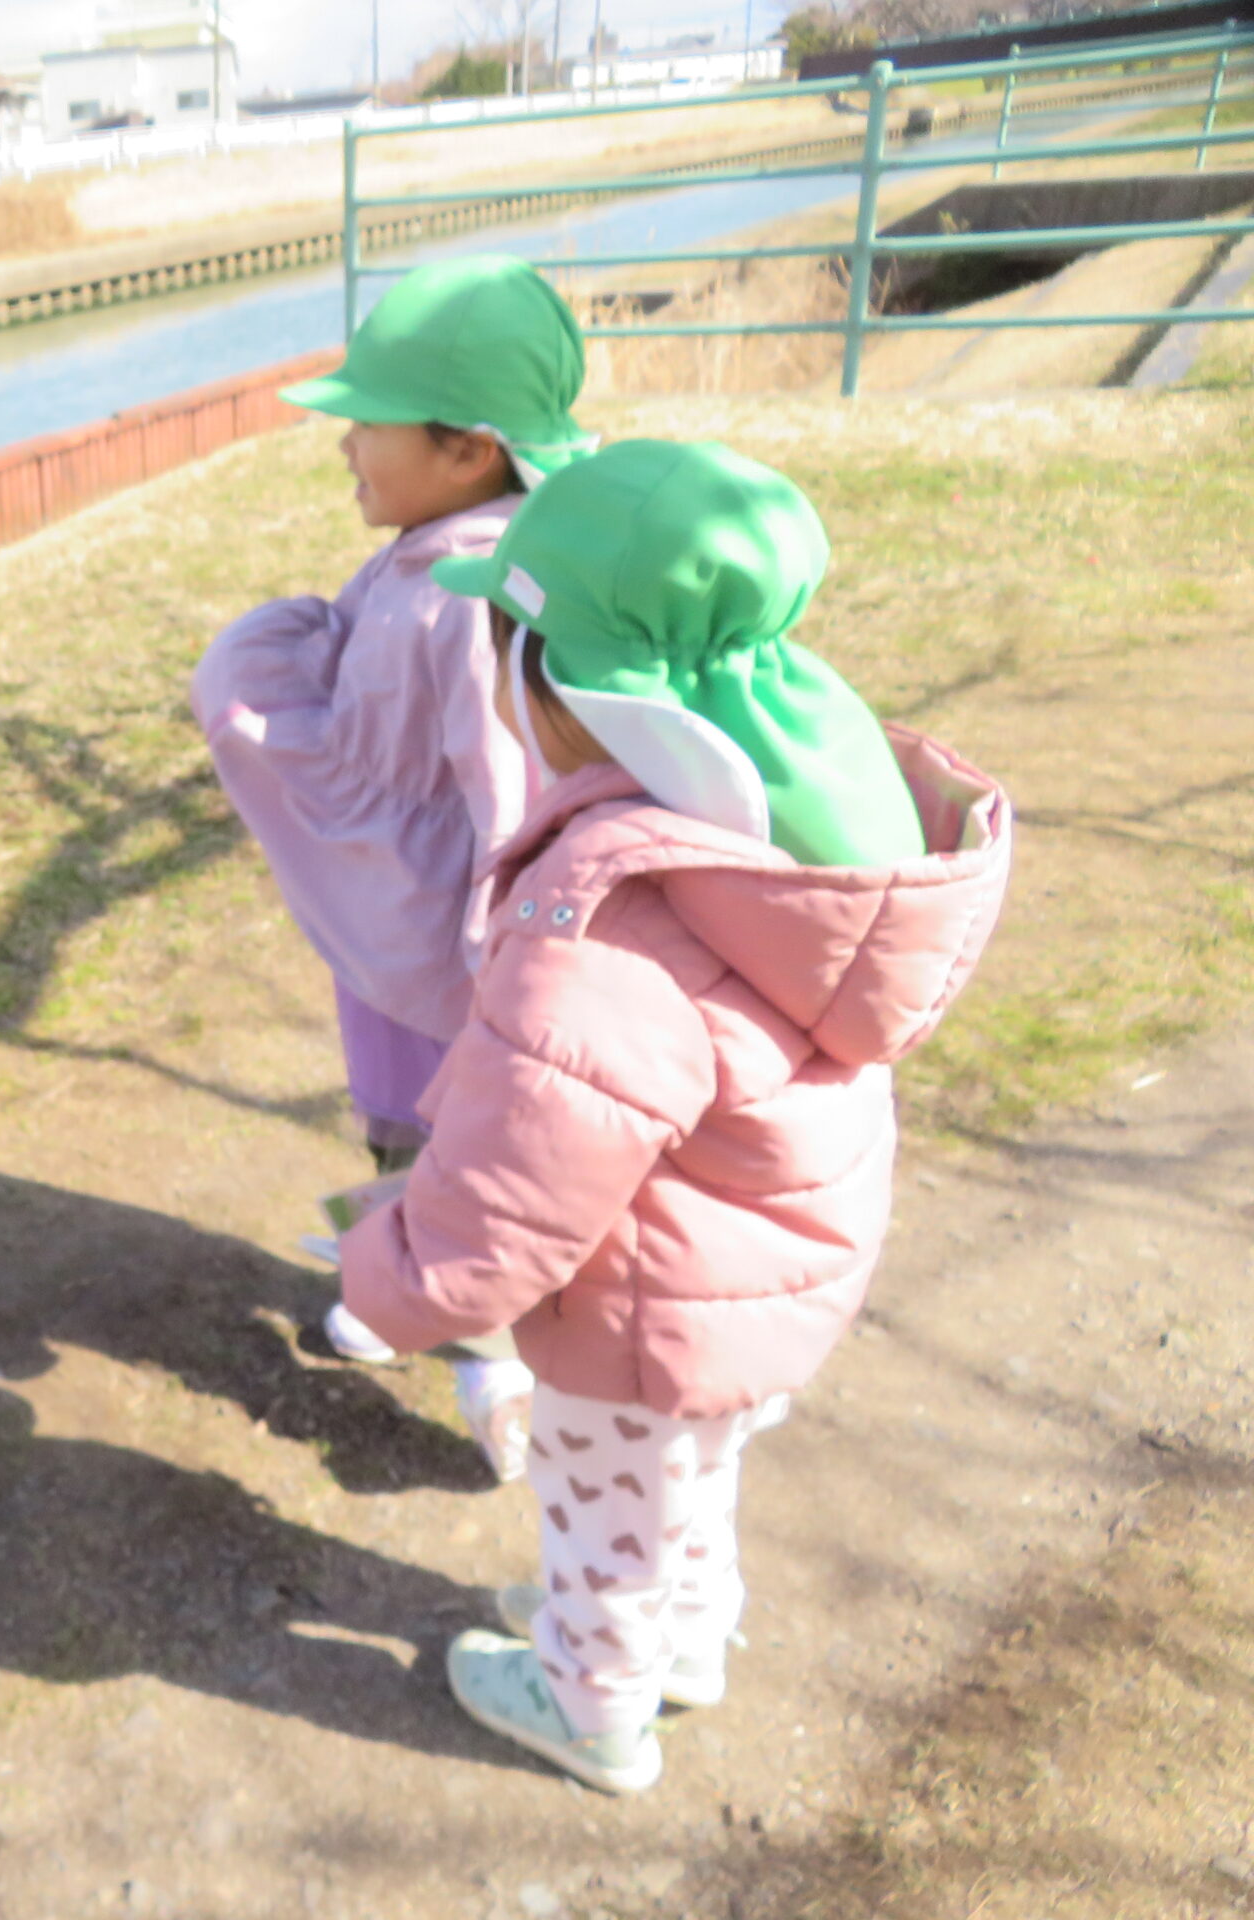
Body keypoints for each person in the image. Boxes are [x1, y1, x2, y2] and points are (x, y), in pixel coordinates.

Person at [334, 439, 1013, 1794]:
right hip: (757, 1285)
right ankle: (688, 1646)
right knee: (690, 1479)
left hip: (647, 1307)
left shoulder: (616, 923)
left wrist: (392, 1283)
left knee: (602, 1517)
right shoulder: (808, 838)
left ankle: (591, 1704)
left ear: (579, 699)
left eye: (513, 643)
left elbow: (519, 1178)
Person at [189, 255, 594, 1479]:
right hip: (403, 936)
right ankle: (415, 1289)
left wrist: (505, 970)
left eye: (367, 426)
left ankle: (489, 1359)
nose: (345, 449)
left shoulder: (465, 597)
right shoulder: (455, 548)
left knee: (446, 1150)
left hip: (442, 955)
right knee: (411, 1139)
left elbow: (506, 795)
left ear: (468, 448)